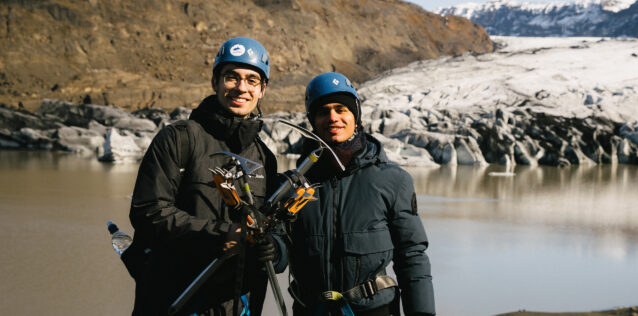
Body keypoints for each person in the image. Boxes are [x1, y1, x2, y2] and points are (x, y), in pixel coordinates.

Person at [126, 37, 286, 316]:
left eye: (251, 80)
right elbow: (148, 212)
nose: (241, 88)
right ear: (215, 82)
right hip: (175, 299)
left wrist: (276, 248)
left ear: (262, 90)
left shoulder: (264, 159)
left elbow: (276, 226)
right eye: (231, 77)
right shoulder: (179, 139)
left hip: (237, 305)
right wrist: (220, 234)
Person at [286, 72, 435, 316]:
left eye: (341, 109)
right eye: (323, 111)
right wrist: (269, 247)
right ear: (313, 120)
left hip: (375, 310)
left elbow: (412, 257)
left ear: (355, 115)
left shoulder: (391, 180)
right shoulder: (294, 185)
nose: (333, 117)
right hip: (312, 310)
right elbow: (280, 255)